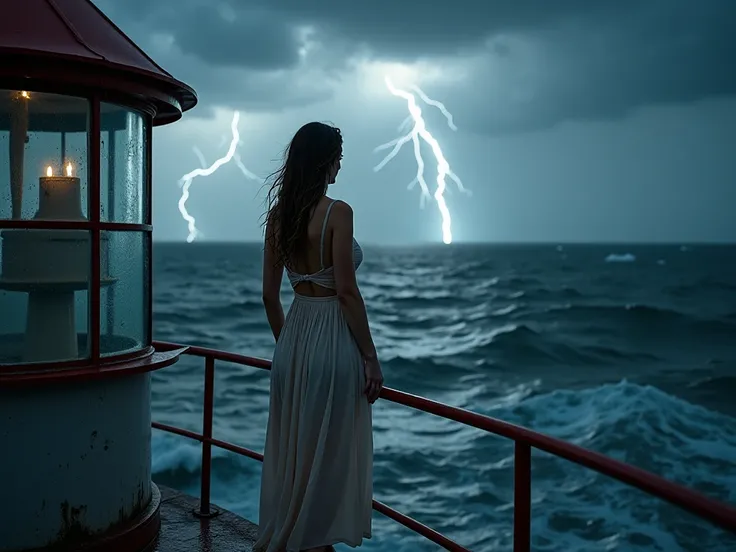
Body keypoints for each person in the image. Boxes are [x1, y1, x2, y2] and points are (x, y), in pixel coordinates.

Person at [254, 122, 383, 552]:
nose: (341, 163)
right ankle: (315, 542)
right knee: (326, 454)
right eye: (338, 156)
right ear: (324, 160)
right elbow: (346, 291)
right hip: (331, 341)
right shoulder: (338, 212)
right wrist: (371, 357)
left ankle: (295, 537)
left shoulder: (279, 217)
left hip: (293, 341)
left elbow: (270, 297)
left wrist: (289, 346)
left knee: (296, 450)